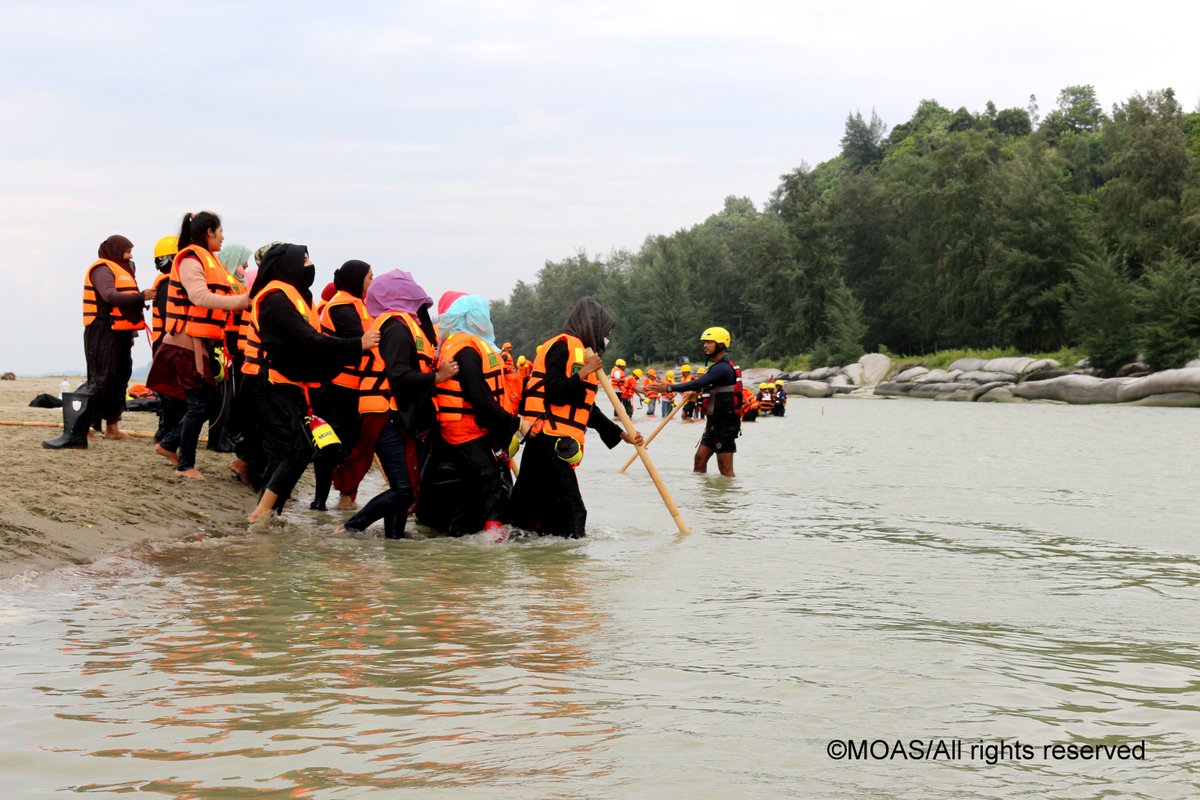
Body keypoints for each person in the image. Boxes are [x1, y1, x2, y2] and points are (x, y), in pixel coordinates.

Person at [244, 244, 377, 523]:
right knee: (294, 450)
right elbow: (307, 340)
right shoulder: (275, 298)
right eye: (305, 259)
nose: (310, 264)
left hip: (291, 385)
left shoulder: (295, 297)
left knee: (292, 451)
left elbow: (309, 346)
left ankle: (268, 512)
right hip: (268, 384)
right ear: (288, 265)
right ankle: (261, 514)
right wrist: (357, 345)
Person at [510, 296, 643, 539]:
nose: (607, 338)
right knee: (573, 512)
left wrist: (618, 433)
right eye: (605, 332)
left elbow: (584, 407)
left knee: (533, 511)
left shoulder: (582, 353)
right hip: (548, 437)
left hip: (550, 440)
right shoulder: (562, 346)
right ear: (592, 327)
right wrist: (582, 373)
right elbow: (554, 393)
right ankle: (571, 565)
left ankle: (535, 561)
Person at [339, 271, 456, 538]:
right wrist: (439, 376)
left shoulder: (405, 326)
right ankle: (350, 527)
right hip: (384, 411)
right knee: (403, 488)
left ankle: (395, 538)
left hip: (396, 413)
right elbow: (399, 375)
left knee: (404, 487)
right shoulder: (396, 327)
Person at [148, 211, 249, 479]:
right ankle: (185, 465)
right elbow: (199, 296)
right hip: (184, 344)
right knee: (199, 404)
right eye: (220, 232)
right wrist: (241, 302)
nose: (223, 237)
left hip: (204, 342)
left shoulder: (210, 259)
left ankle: (169, 444)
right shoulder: (191, 258)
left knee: (208, 402)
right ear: (209, 233)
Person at [417, 295, 520, 538]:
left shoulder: (461, 344)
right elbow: (479, 397)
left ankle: (459, 535)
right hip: (464, 431)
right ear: (474, 319)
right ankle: (494, 543)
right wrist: (514, 424)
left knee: (469, 486)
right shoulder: (466, 349)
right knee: (491, 482)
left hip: (464, 429)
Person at [45, 236, 153, 449]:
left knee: (120, 379)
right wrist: (142, 296)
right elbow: (109, 296)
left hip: (120, 332)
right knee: (100, 379)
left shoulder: (127, 269)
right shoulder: (102, 269)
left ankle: (112, 427)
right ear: (115, 250)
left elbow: (125, 306)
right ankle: (79, 430)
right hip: (101, 330)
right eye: (127, 251)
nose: (131, 255)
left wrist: (131, 333)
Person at [311, 260, 373, 510]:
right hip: (336, 388)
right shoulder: (342, 306)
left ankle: (340, 497)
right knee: (331, 444)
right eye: (369, 277)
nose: (372, 281)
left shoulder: (356, 305)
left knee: (347, 443)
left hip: (350, 388)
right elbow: (356, 342)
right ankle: (321, 501)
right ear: (356, 279)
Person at [644, 326, 742, 477]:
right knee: (699, 460)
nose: (705, 345)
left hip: (725, 424)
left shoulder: (722, 368)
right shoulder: (717, 367)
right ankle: (702, 498)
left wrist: (668, 388)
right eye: (704, 342)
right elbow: (710, 389)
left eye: (709, 342)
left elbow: (698, 383)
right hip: (714, 422)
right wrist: (697, 395)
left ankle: (727, 500)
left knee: (725, 468)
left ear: (721, 345)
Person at [149, 236, 185, 444]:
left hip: (166, 344)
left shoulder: (169, 283)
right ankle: (166, 435)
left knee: (172, 394)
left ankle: (167, 433)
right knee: (171, 394)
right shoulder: (168, 285)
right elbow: (169, 316)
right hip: (167, 345)